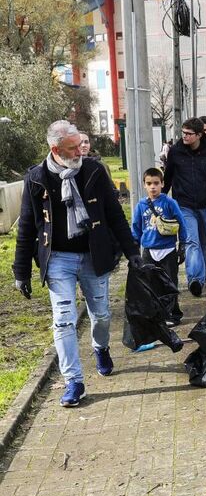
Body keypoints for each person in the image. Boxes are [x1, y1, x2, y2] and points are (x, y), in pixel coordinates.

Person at [12, 121, 146, 406]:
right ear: (55, 149)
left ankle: (101, 346)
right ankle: (74, 381)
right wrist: (21, 271)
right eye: (73, 148)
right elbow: (27, 226)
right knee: (63, 321)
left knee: (101, 315)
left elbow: (114, 215)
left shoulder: (94, 170)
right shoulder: (36, 178)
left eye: (80, 145)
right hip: (57, 258)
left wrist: (132, 250)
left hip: (93, 255)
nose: (80, 151)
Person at [163, 117, 206, 296]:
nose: (184, 136)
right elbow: (168, 176)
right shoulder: (175, 152)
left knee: (205, 242)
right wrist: (162, 198)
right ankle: (195, 279)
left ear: (199, 135)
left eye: (188, 134)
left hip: (205, 204)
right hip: (184, 204)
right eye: (183, 133)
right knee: (191, 241)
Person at [131, 167, 185, 326]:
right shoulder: (141, 205)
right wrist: (133, 248)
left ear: (162, 184)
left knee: (170, 284)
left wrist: (182, 243)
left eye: (156, 183)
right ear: (144, 185)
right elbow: (136, 227)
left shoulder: (169, 203)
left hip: (168, 250)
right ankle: (156, 314)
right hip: (148, 250)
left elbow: (181, 222)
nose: (152, 187)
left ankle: (173, 314)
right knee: (150, 285)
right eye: (149, 183)